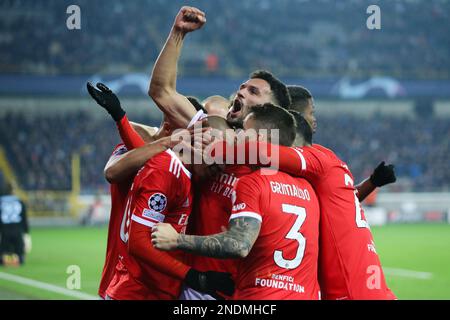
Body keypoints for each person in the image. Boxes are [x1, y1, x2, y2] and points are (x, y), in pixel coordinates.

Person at [152, 104, 321, 300]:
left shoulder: (253, 183)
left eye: (243, 133)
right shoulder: (308, 189)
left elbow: (238, 245)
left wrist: (176, 240)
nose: (238, 137)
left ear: (257, 141)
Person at [87, 82, 234, 300]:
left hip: (153, 287)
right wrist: (195, 277)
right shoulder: (166, 168)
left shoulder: (180, 170)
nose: (217, 167)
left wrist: (121, 119)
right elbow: (139, 242)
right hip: (136, 288)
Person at [0, 182, 30, 266]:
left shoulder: (1, 201)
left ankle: (6, 261)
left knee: (3, 253)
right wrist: (26, 232)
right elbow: (24, 218)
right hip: (17, 229)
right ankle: (16, 260)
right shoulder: (19, 201)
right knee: (20, 255)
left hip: (4, 230)